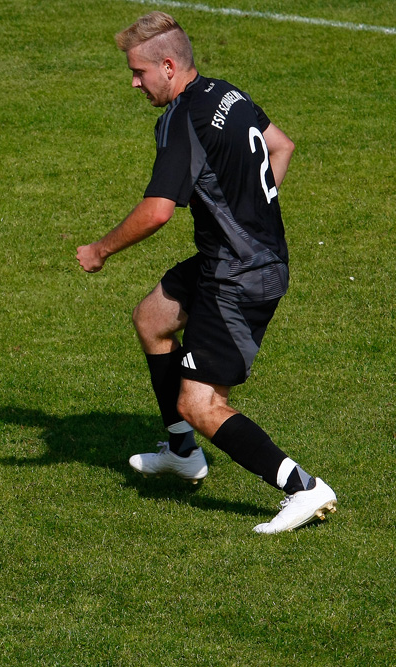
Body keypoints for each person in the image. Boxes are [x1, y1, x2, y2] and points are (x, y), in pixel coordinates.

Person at [76, 12, 336, 533]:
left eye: (138, 72)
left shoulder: (182, 121)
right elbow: (281, 144)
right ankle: (181, 452)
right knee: (151, 318)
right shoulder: (226, 94)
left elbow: (157, 210)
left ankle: (303, 488)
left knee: (199, 402)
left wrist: (100, 250)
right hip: (237, 257)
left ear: (168, 67)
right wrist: (252, 215)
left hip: (238, 276)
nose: (134, 82)